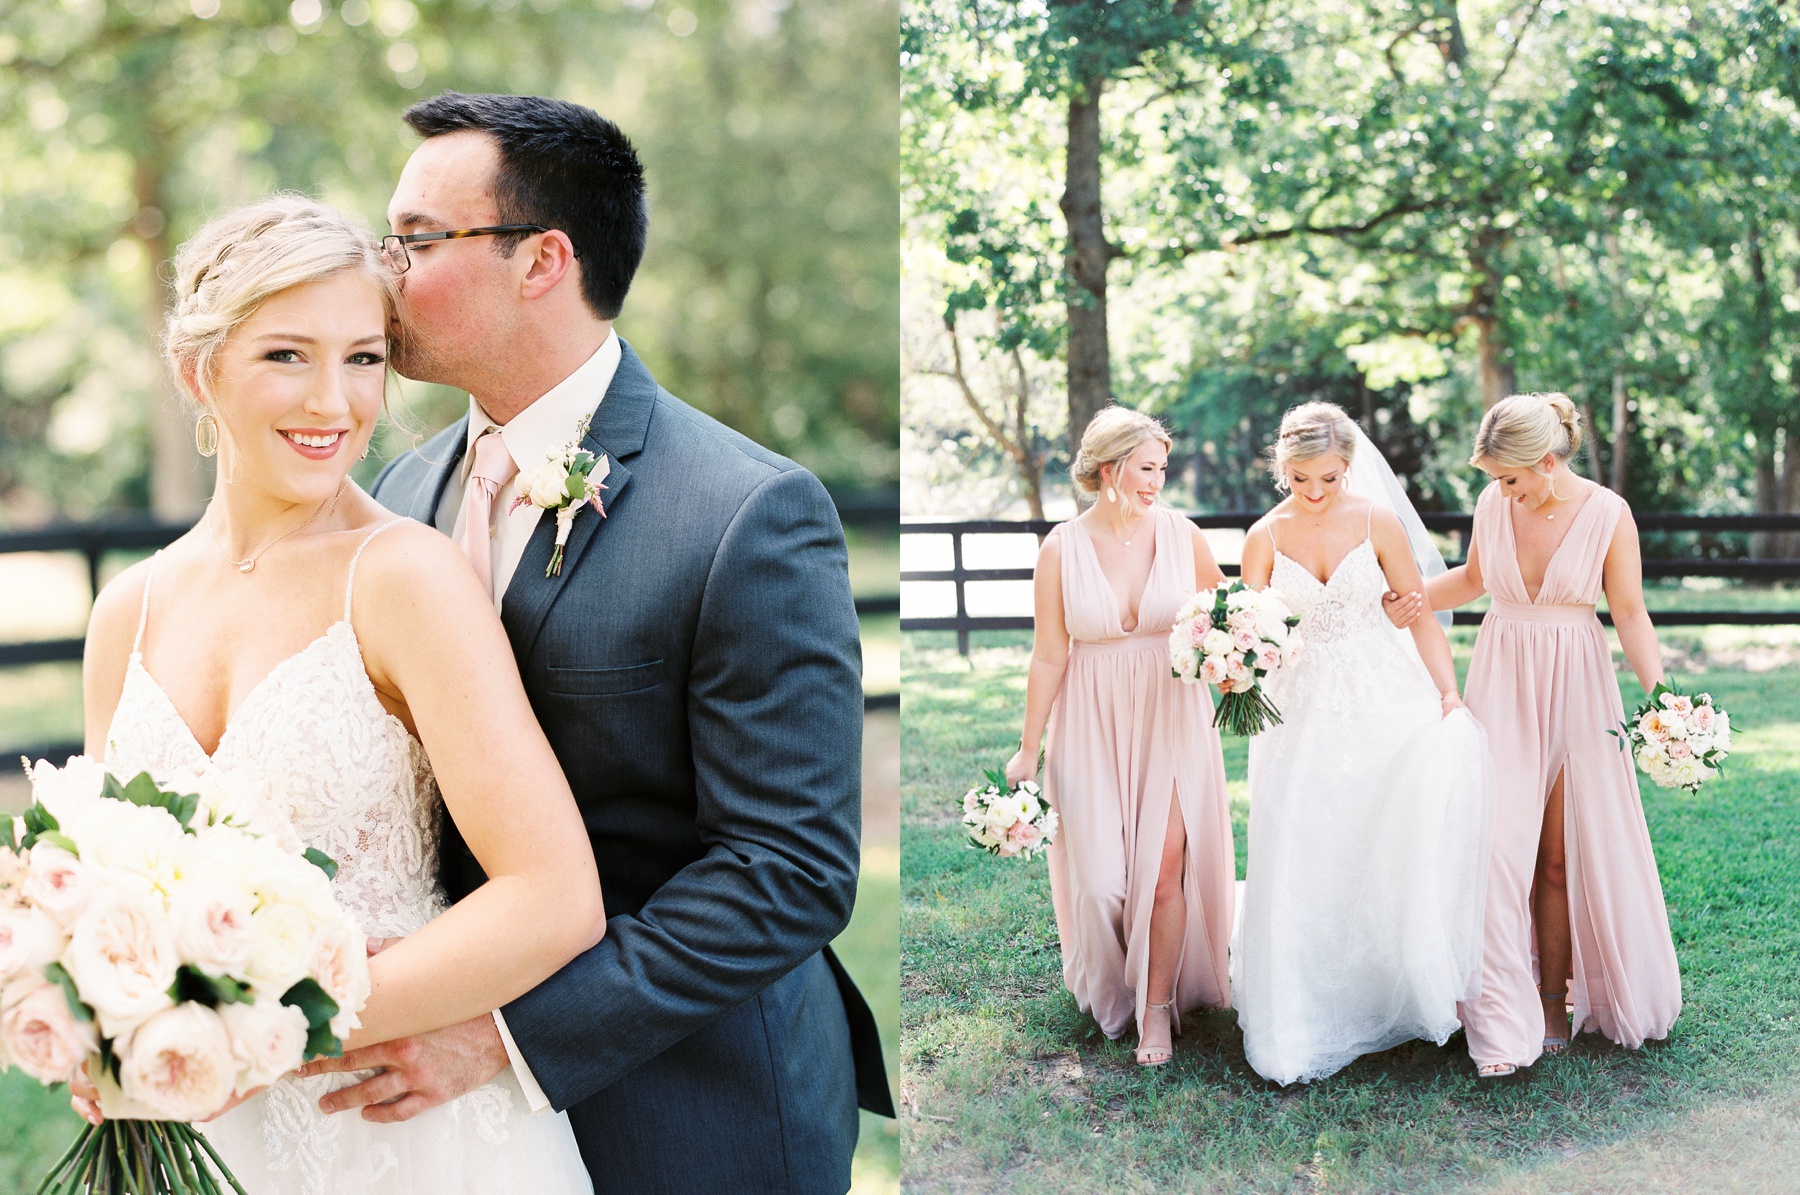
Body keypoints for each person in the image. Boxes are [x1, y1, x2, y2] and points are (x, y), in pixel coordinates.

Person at [307, 92, 888, 1194]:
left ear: (542, 261)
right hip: (443, 1126)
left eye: (418, 240)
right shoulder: (399, 488)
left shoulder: (747, 512)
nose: (383, 272)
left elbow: (789, 869)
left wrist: (504, 1032)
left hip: (691, 1110)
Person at [80, 195, 603, 1191]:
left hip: (396, 1137)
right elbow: (108, 890)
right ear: (200, 370)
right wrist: (96, 1018)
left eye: (363, 358)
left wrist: (263, 1028)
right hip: (202, 1144)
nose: (334, 403)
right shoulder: (127, 612)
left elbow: (555, 897)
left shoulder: (405, 577)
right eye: (287, 356)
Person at [1412, 393, 1681, 1076]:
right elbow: (1473, 579)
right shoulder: (1493, 505)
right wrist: (1410, 595)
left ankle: (1553, 1000)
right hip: (1502, 680)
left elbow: (1629, 610)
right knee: (1497, 850)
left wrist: (1667, 701)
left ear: (1550, 461)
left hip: (1576, 685)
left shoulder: (1608, 514)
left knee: (1558, 858)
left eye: (1510, 477)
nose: (1501, 491)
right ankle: (1496, 1011)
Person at [1234, 401, 1495, 1086]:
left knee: (1377, 838)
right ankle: (1299, 1011)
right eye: (1299, 479)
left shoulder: (1377, 520)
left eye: (1328, 478)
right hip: (1298, 710)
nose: (1315, 493)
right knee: (1301, 843)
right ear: (1281, 470)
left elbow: (1417, 613)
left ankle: (1384, 991)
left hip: (1383, 695)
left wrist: (1448, 691)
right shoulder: (1263, 536)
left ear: (1348, 466)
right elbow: (1246, 631)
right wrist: (1233, 662)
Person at [1003, 406, 1237, 1067]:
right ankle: (1115, 983)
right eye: (1145, 468)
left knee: (1164, 873)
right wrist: (1029, 746)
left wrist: (1239, 662)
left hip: (1173, 713)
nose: (1156, 481)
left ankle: (1156, 1010)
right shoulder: (1060, 548)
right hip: (1091, 721)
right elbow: (1049, 654)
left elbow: (1225, 616)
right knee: (1103, 880)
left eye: (1162, 467)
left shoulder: (1184, 535)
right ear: (1109, 469)